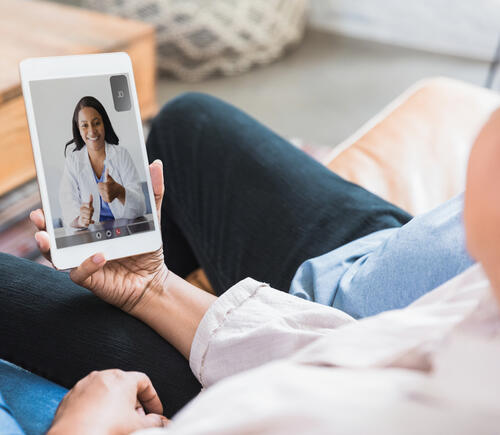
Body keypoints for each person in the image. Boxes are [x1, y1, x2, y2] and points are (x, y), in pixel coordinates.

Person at [0, 93, 491, 433]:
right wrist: (154, 289)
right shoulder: (472, 310)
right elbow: (350, 347)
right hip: (363, 274)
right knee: (189, 122)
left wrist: (79, 427)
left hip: (264, 355)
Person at [59, 96, 146, 228]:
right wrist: (81, 219)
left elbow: (141, 207)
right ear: (78, 129)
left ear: (104, 123)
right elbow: (67, 208)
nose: (92, 131)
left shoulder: (121, 155)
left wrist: (119, 192)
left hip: (124, 232)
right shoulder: (73, 162)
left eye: (96, 123)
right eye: (84, 125)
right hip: (92, 235)